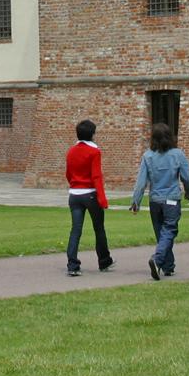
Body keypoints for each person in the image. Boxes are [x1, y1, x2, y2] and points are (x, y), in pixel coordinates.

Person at [129, 121, 189, 280]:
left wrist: (135, 202)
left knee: (162, 234)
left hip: (155, 201)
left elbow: (141, 183)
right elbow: (187, 178)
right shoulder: (178, 154)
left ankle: (168, 266)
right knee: (170, 231)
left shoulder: (147, 156)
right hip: (171, 199)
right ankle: (157, 260)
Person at [64, 119, 113, 277]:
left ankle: (72, 264)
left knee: (75, 230)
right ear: (92, 134)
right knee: (99, 228)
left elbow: (68, 174)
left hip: (74, 194)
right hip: (90, 193)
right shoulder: (95, 152)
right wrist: (103, 200)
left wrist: (74, 185)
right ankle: (104, 260)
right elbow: (96, 176)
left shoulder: (71, 151)